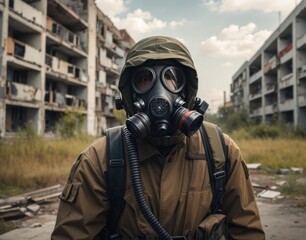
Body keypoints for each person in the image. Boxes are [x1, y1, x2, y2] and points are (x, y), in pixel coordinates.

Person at [51, 36, 265, 240]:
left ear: (187, 92)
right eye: (145, 79)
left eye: (171, 79)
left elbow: (248, 232)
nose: (160, 93)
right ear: (130, 96)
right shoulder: (100, 159)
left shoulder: (221, 151)